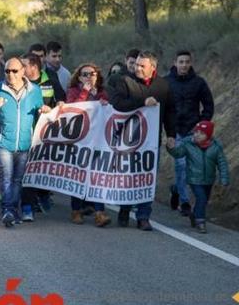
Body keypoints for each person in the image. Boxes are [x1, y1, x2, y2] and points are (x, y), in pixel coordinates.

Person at [107, 51, 176, 231]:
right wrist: (142, 102)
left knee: (147, 178)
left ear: (153, 68)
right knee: (129, 177)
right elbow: (118, 104)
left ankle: (143, 216)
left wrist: (171, 134)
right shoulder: (125, 81)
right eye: (136, 64)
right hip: (128, 139)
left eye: (142, 66)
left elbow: (170, 111)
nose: (137, 68)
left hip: (151, 141)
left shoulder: (163, 86)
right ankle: (125, 209)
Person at [0, 57, 48, 228]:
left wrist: (45, 110)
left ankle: (13, 209)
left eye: (14, 71)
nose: (10, 74)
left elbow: (40, 110)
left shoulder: (35, 90)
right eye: (7, 71)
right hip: (2, 142)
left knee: (18, 179)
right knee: (6, 177)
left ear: (23, 71)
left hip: (24, 144)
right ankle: (8, 209)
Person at [166, 50, 214, 216]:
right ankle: (185, 202)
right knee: (181, 165)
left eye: (187, 62)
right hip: (175, 130)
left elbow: (208, 105)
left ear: (191, 63)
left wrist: (201, 125)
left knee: (193, 166)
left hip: (193, 130)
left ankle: (177, 189)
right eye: (181, 62)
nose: (184, 65)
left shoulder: (199, 83)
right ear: (175, 63)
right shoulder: (166, 82)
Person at [19, 53, 65, 219]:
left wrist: (58, 104)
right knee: (27, 170)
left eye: (23, 66)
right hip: (26, 133)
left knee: (43, 168)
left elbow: (61, 98)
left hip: (47, 133)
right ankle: (28, 206)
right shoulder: (20, 82)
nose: (20, 69)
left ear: (34, 67)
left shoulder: (50, 78)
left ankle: (43, 194)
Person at [65, 63, 111, 227]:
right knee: (78, 175)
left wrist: (104, 103)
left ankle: (99, 212)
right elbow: (74, 108)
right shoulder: (73, 91)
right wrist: (85, 91)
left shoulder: (102, 93)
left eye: (92, 74)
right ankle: (76, 210)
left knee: (97, 176)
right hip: (79, 140)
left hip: (98, 140)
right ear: (79, 77)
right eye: (85, 74)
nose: (89, 77)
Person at [165, 121, 229, 234]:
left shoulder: (216, 147)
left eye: (201, 133)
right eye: (196, 132)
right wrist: (171, 148)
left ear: (208, 135)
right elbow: (178, 153)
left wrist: (224, 180)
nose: (197, 135)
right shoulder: (188, 144)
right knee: (201, 198)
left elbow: (222, 164)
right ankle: (200, 222)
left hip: (209, 179)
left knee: (204, 199)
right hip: (194, 178)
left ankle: (194, 214)